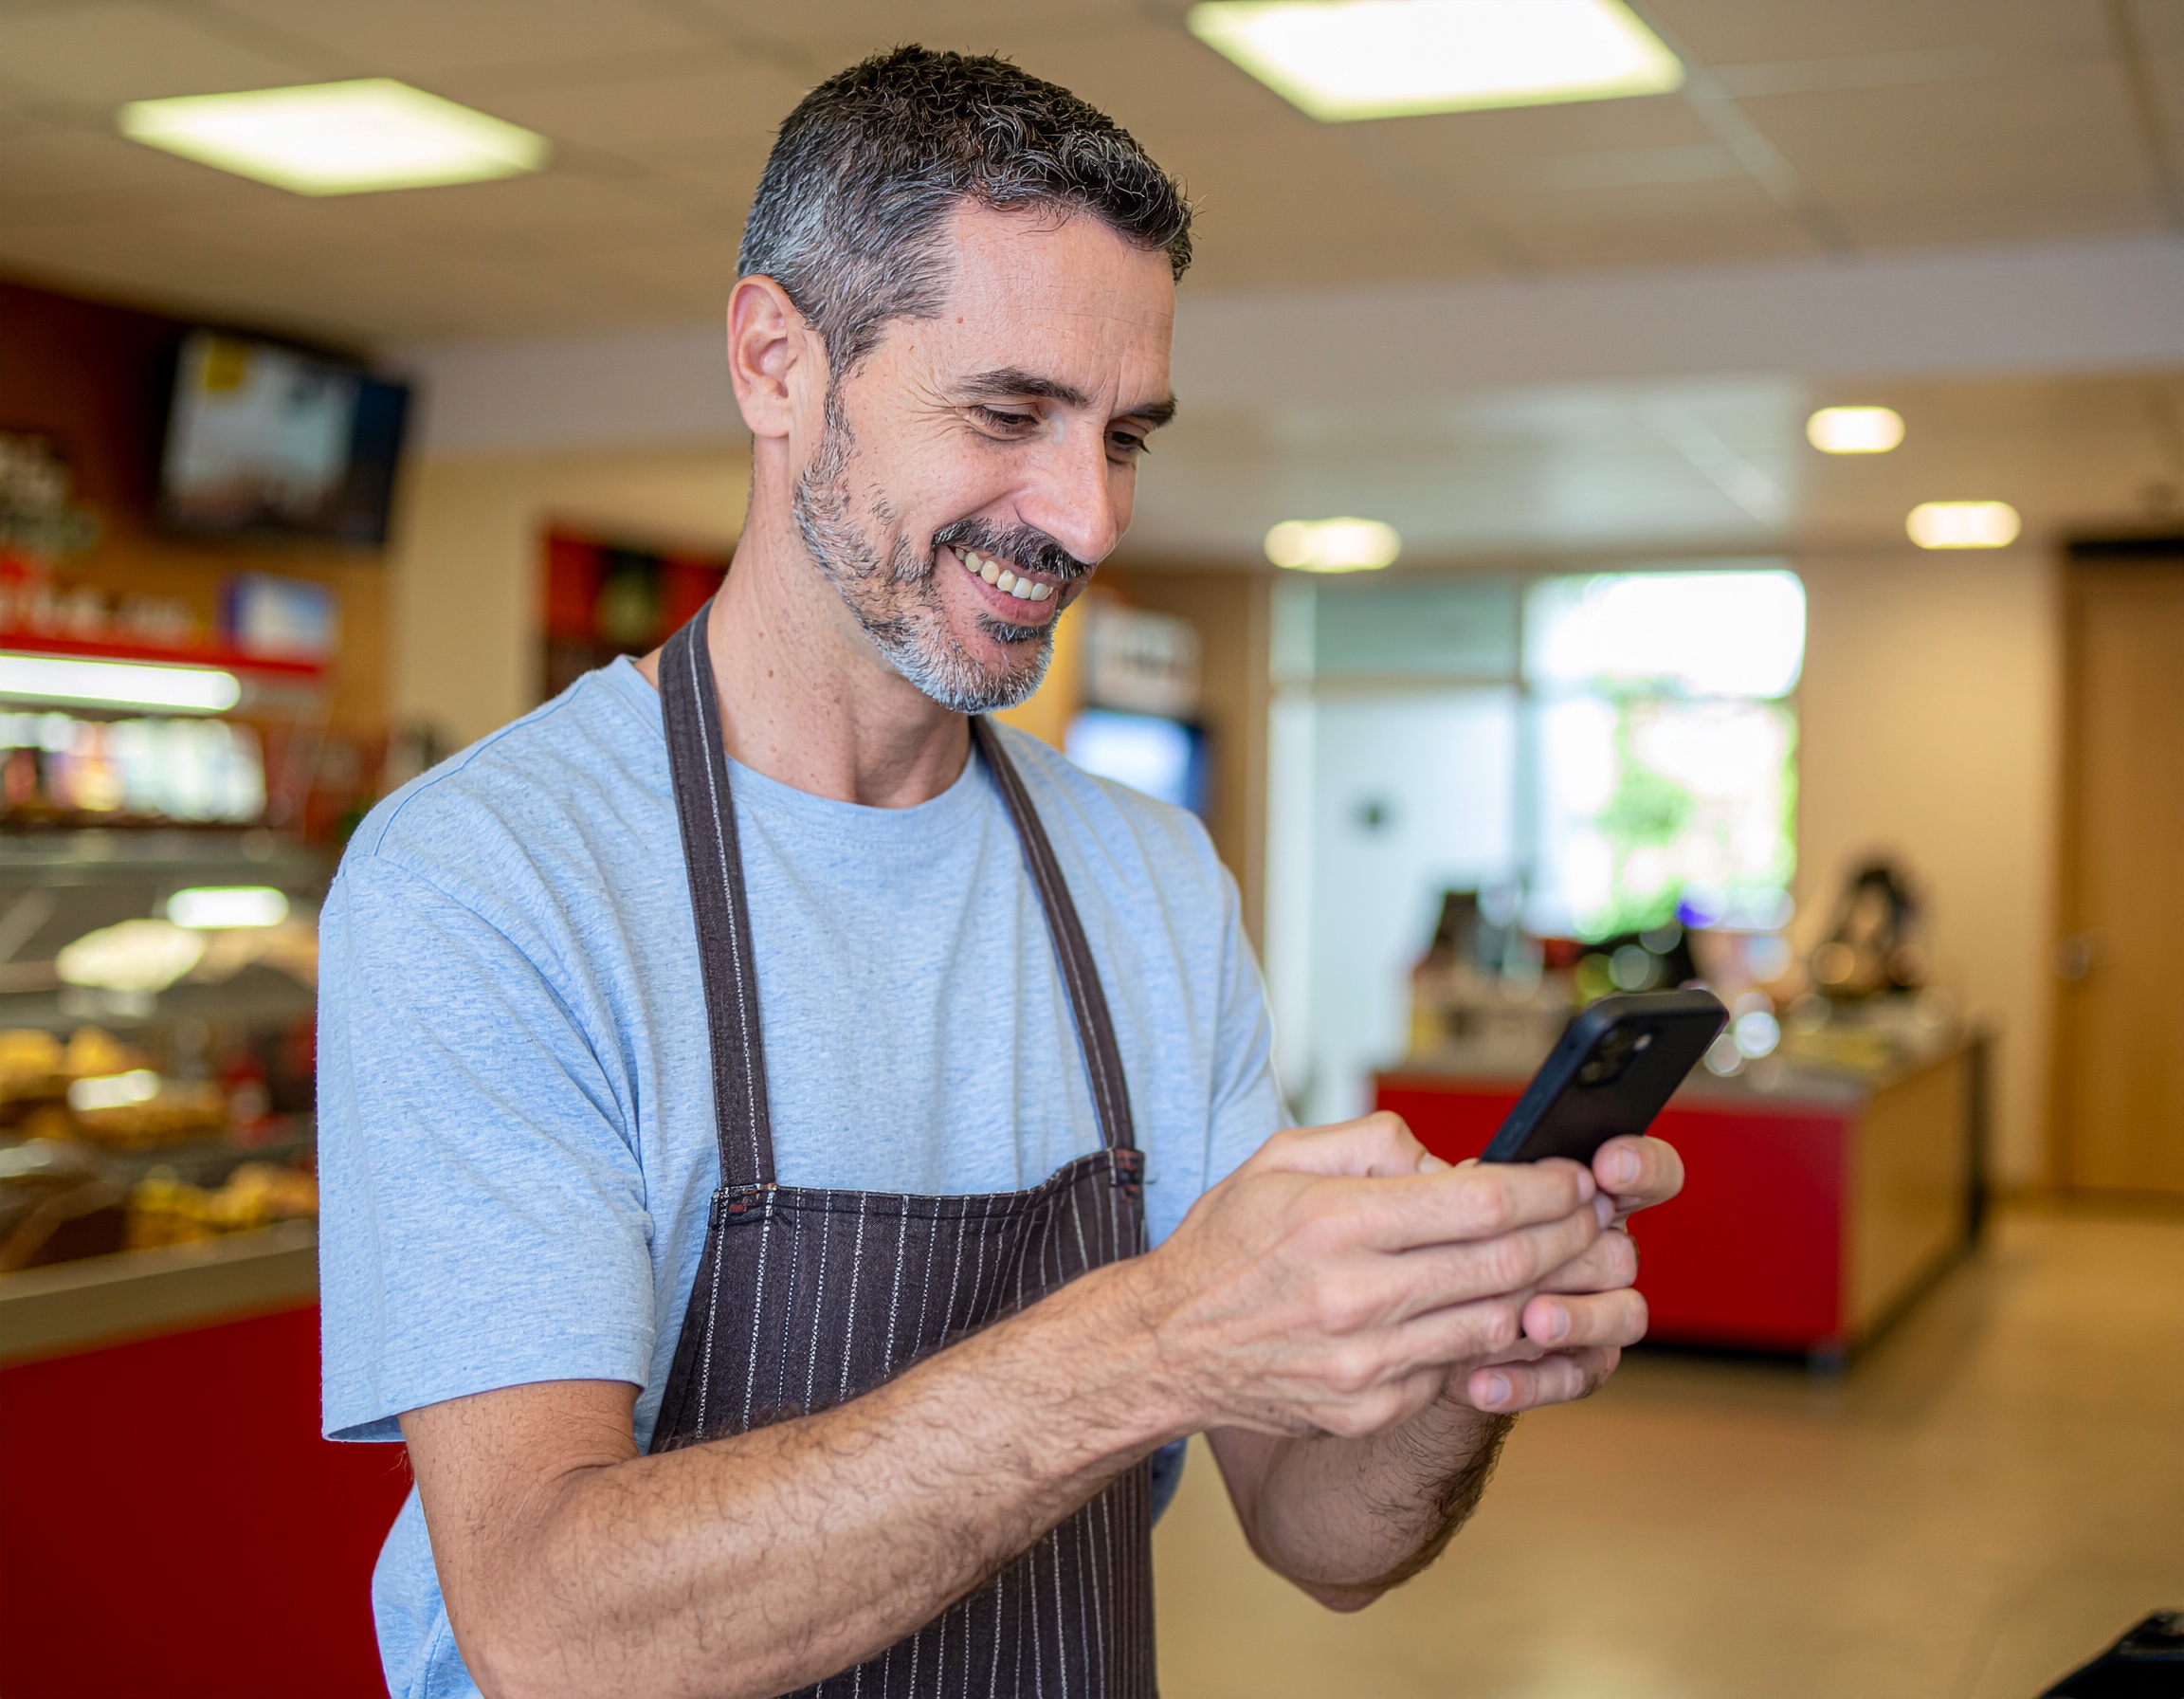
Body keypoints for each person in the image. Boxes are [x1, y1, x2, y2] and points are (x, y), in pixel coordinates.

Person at [318, 46, 1681, 1699]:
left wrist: (1466, 1353)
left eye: (1126, 437)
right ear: (776, 363)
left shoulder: (1150, 883)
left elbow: (1318, 1535)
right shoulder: (494, 879)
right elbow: (550, 1627)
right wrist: (1158, 1335)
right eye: (1009, 413)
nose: (1088, 516)